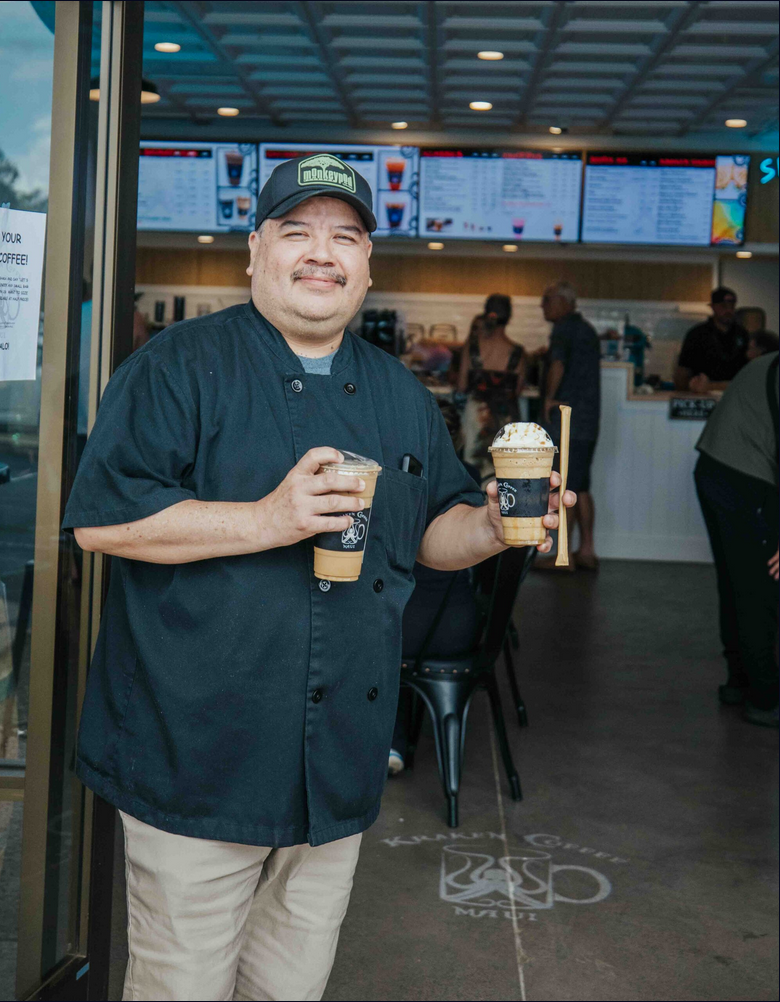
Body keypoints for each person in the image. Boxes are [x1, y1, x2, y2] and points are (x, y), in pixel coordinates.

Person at [62, 156, 576, 1002]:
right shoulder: (179, 367)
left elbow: (433, 530)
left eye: (344, 236)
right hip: (198, 760)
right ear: (256, 251)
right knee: (182, 987)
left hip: (336, 764)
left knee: (291, 988)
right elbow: (101, 521)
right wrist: (267, 520)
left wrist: (489, 526)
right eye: (296, 232)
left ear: (369, 264)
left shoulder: (400, 394)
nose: (321, 253)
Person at [389, 402, 481, 775]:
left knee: (374, 635)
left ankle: (390, 741)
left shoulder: (393, 481)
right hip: (462, 626)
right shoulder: (473, 481)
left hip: (405, 629)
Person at [694, 351, 778, 727]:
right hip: (745, 479)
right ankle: (765, 699)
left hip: (714, 470)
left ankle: (738, 682)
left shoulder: (771, 361)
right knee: (758, 587)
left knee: (735, 579)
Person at [537, 281, 601, 571]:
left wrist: (549, 398)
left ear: (564, 302)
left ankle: (563, 557)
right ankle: (586, 551)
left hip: (568, 418)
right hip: (589, 419)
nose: (542, 305)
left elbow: (558, 365)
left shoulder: (563, 329)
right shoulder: (586, 329)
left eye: (547, 299)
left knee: (565, 484)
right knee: (582, 485)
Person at [458, 293, 526, 478]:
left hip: (477, 415)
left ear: (487, 313)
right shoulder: (518, 352)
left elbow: (462, 385)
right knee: (504, 470)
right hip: (505, 415)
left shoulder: (472, 346)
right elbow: (518, 390)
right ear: (509, 318)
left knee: (474, 468)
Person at [674, 287, 749, 392]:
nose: (728, 310)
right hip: (701, 395)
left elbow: (749, 371)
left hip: (734, 394)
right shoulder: (697, 334)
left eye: (732, 306)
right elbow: (683, 371)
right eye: (723, 306)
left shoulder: (742, 334)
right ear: (713, 307)